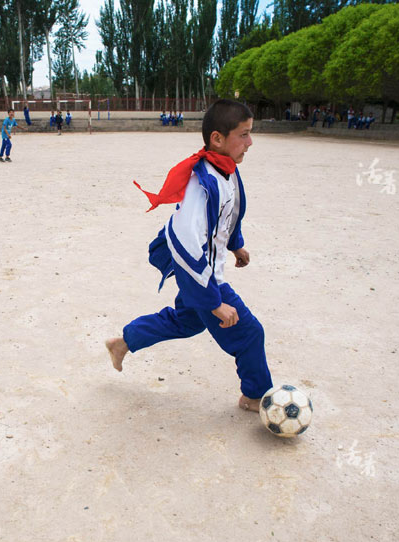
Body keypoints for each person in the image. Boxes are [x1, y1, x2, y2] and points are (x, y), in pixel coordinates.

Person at [105, 99, 273, 414]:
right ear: (217, 139)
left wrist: (235, 244)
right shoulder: (201, 183)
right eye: (244, 135)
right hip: (204, 278)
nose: (250, 143)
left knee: (186, 321)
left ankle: (123, 342)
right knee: (250, 333)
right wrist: (213, 301)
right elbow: (186, 244)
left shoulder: (227, 171)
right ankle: (255, 396)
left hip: (206, 274)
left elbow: (228, 215)